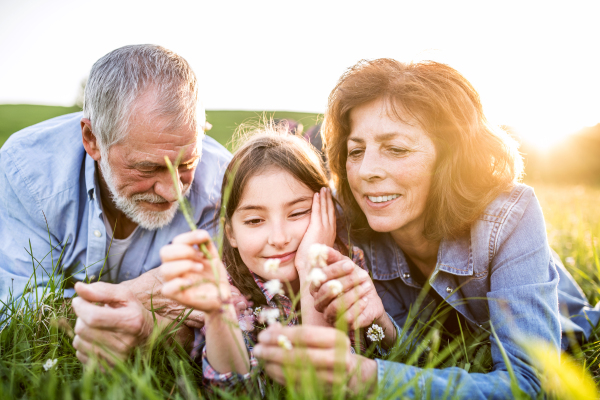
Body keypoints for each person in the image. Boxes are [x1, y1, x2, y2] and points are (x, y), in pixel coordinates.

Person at [252, 59, 600, 398]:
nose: (367, 170)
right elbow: (419, 356)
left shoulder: (510, 216)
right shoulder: (353, 227)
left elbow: (527, 383)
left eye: (396, 149)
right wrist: (382, 328)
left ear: (449, 159)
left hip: (569, 319)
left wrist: (369, 378)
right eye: (356, 151)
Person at [0, 44, 234, 364]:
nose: (172, 192)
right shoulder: (26, 170)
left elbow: (223, 325)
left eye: (186, 164)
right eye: (147, 168)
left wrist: (150, 326)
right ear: (92, 139)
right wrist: (146, 293)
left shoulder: (223, 181)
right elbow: (20, 315)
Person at [158, 128, 392, 392]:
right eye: (255, 220)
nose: (279, 238)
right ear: (231, 232)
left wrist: (311, 267)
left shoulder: (347, 267)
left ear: (325, 211)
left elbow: (330, 386)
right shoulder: (228, 288)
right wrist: (218, 314)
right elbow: (236, 393)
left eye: (297, 213)